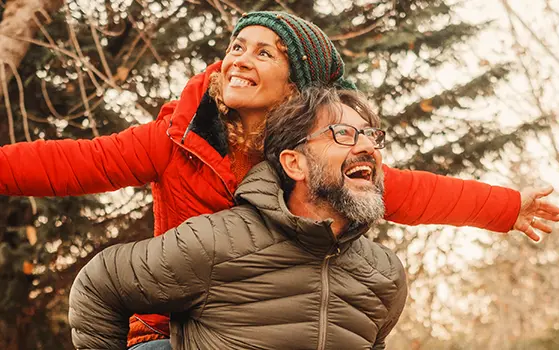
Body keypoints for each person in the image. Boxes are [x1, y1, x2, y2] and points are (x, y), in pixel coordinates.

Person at [2, 11, 559, 349]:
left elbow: (411, 190)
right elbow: (71, 162)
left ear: (295, 86)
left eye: (263, 52)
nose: (238, 59)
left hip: (264, 319)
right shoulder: (176, 139)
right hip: (172, 327)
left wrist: (506, 207)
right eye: (235, 47)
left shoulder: (312, 154)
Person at [69, 87, 411, 350]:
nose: (367, 146)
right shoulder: (216, 242)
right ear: (295, 164)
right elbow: (100, 285)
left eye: (372, 135)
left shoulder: (384, 275)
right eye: (343, 134)